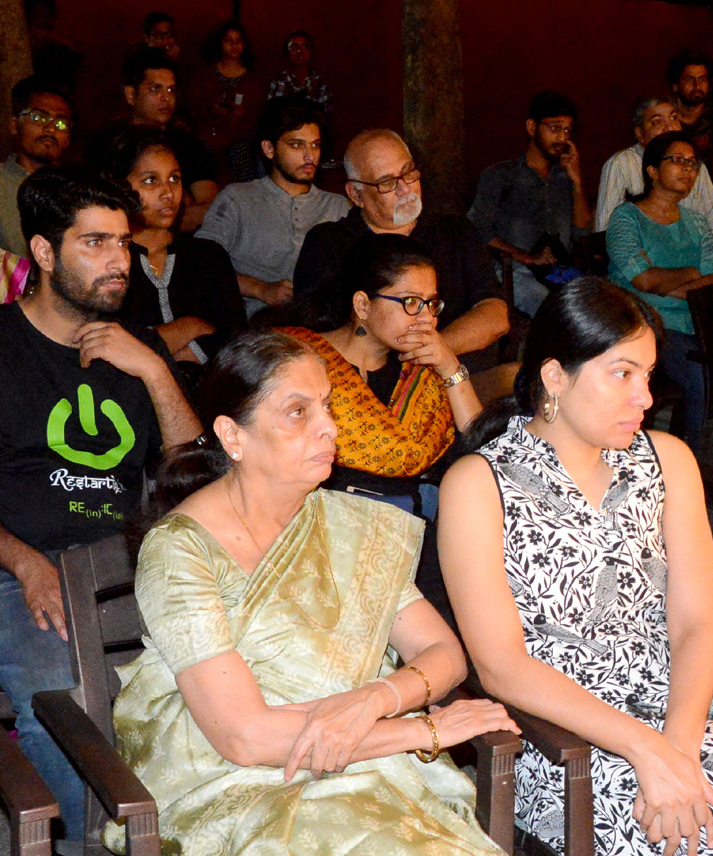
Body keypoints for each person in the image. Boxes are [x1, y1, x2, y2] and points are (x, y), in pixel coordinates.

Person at [439, 277, 713, 856]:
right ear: (554, 377)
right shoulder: (478, 484)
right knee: (682, 827)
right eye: (622, 373)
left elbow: (698, 622)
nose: (645, 397)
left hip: (689, 709)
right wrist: (645, 750)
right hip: (564, 736)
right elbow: (500, 668)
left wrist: (679, 743)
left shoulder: (668, 460)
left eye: (646, 375)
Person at [105, 329, 519, 855]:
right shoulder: (181, 551)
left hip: (364, 763)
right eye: (298, 412)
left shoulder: (351, 526)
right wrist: (422, 732)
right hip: (236, 787)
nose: (329, 428)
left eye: (327, 406)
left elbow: (442, 654)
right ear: (233, 435)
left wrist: (375, 697)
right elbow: (245, 737)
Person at [0, 164, 201, 843]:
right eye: (96, 244)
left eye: (123, 242)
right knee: (65, 696)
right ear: (45, 252)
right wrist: (24, 563)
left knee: (222, 667)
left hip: (126, 562)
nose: (120, 261)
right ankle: (95, 842)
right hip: (19, 567)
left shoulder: (135, 345)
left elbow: (194, 478)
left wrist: (151, 369)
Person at [283, 233, 481, 509]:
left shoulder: (425, 374)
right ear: (363, 305)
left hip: (407, 523)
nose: (427, 318)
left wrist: (451, 369)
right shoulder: (295, 359)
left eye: (432, 303)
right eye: (410, 302)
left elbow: (484, 450)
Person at [295, 129, 508, 374]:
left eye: (408, 173)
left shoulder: (455, 231)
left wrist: (434, 352)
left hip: (459, 373)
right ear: (356, 194)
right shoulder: (328, 243)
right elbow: (314, 337)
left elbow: (495, 313)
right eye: (387, 183)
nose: (405, 189)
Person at [97, 126, 243, 381]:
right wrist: (189, 326)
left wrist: (163, 346)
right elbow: (106, 345)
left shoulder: (207, 256)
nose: (168, 193)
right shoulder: (108, 262)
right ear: (119, 187)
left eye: (174, 178)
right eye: (151, 180)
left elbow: (235, 340)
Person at [607, 133, 713, 450]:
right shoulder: (626, 218)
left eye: (692, 163)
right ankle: (693, 456)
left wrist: (669, 282)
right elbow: (643, 281)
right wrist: (690, 273)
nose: (688, 169)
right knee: (701, 373)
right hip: (643, 324)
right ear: (653, 171)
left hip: (697, 324)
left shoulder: (697, 222)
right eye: (678, 160)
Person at [197, 96, 350, 316]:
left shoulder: (338, 207)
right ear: (269, 149)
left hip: (321, 322)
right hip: (253, 323)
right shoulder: (238, 198)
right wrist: (261, 289)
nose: (310, 156)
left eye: (315, 145)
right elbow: (200, 265)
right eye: (296, 145)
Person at [467, 91, 591, 316]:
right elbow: (477, 228)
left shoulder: (565, 178)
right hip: (513, 270)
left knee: (594, 302)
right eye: (554, 128)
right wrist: (525, 256)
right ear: (532, 127)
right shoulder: (502, 175)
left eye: (567, 130)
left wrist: (577, 182)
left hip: (559, 271)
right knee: (551, 307)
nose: (562, 138)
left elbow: (581, 231)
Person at [100, 47, 220, 232]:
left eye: (171, 90)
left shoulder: (191, 146)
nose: (166, 98)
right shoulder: (108, 143)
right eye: (155, 89)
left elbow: (211, 210)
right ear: (131, 95)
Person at [594, 95, 713, 242]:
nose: (669, 128)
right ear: (640, 134)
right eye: (657, 122)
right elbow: (605, 230)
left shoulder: (694, 165)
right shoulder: (621, 164)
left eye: (674, 118)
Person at [0, 76, 72, 259]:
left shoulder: (76, 188)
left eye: (60, 123)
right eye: (39, 117)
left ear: (68, 139)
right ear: (15, 125)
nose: (50, 129)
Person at [191, 21, 265, 183]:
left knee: (241, 153)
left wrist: (243, 113)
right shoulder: (206, 72)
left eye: (238, 41)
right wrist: (211, 109)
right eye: (228, 41)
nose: (234, 46)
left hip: (240, 135)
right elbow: (194, 105)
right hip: (209, 133)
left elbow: (258, 112)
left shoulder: (252, 77)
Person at [667, 49, 713, 181]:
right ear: (676, 85)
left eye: (702, 80)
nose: (697, 86)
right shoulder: (664, 118)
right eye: (689, 80)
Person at [25, 0, 81, 94]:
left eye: (47, 16)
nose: (41, 21)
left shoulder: (61, 51)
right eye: (35, 16)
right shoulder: (14, 51)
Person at [268, 29, 331, 113]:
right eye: (294, 47)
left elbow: (326, 116)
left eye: (305, 47)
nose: (300, 51)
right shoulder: (278, 83)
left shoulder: (320, 84)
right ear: (287, 51)